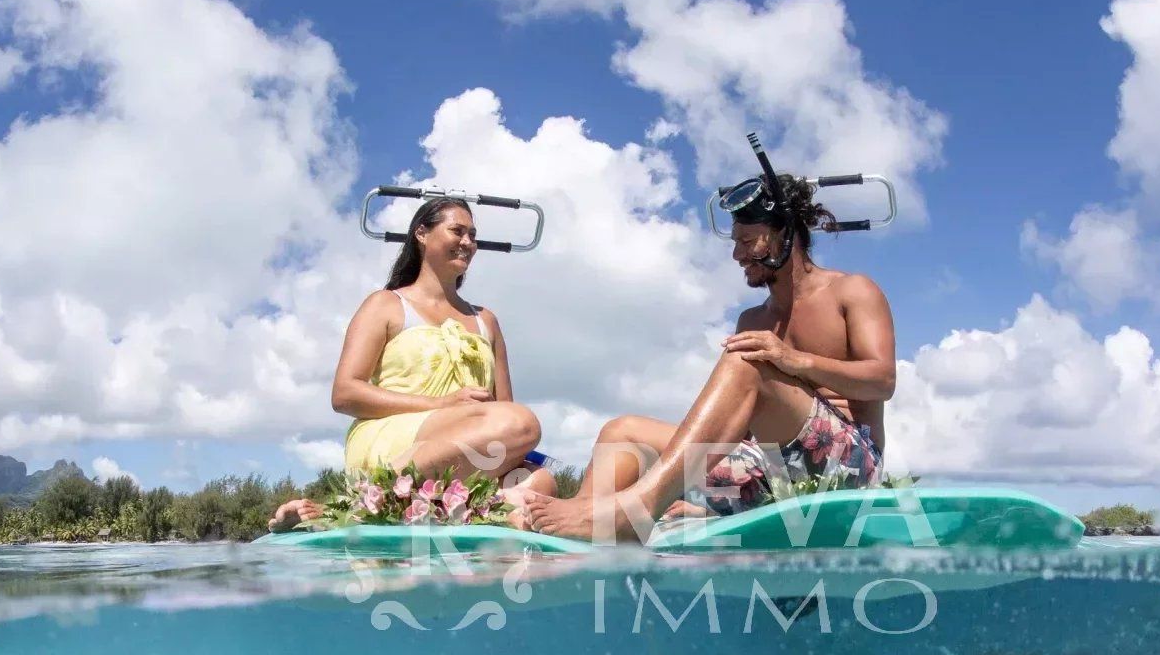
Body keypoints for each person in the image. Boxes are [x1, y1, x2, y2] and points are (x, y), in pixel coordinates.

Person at [526, 173, 894, 541]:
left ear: (784, 234)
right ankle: (582, 535)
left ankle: (637, 508)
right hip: (767, 468)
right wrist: (707, 500)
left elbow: (882, 381)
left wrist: (793, 360)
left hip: (848, 470)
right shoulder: (753, 319)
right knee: (621, 432)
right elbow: (740, 429)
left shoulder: (852, 290)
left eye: (747, 241)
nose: (737, 255)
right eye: (735, 242)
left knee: (747, 359)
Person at [269, 196, 554, 531]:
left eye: (473, 235)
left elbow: (502, 408)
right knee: (523, 423)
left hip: (466, 445)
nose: (468, 242)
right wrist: (443, 405)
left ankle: (457, 515)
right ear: (421, 233)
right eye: (457, 231)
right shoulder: (386, 305)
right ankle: (366, 504)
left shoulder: (486, 320)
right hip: (395, 437)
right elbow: (345, 394)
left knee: (539, 482)